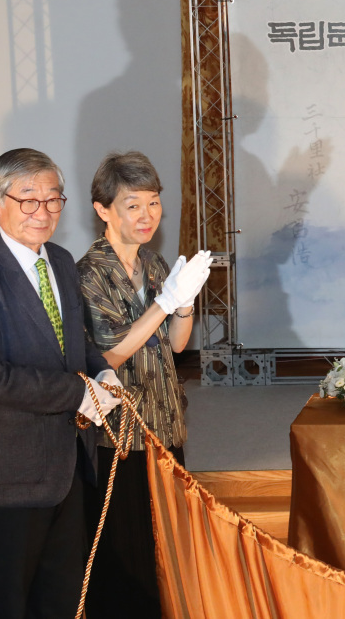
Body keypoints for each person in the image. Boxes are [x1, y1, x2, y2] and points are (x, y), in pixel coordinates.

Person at [0, 148, 122, 618]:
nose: (42, 212)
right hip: (7, 475)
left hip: (68, 469)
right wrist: (80, 393)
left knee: (63, 601)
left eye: (53, 200)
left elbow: (75, 343)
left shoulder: (63, 262)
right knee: (6, 605)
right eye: (28, 200)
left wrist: (102, 370)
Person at [76, 151, 211, 618]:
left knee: (167, 544)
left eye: (153, 203)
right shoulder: (89, 274)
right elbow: (110, 354)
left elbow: (175, 345)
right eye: (133, 205)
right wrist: (165, 301)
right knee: (127, 551)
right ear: (103, 209)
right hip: (120, 435)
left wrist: (186, 303)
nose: (147, 215)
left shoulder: (153, 264)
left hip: (165, 423)